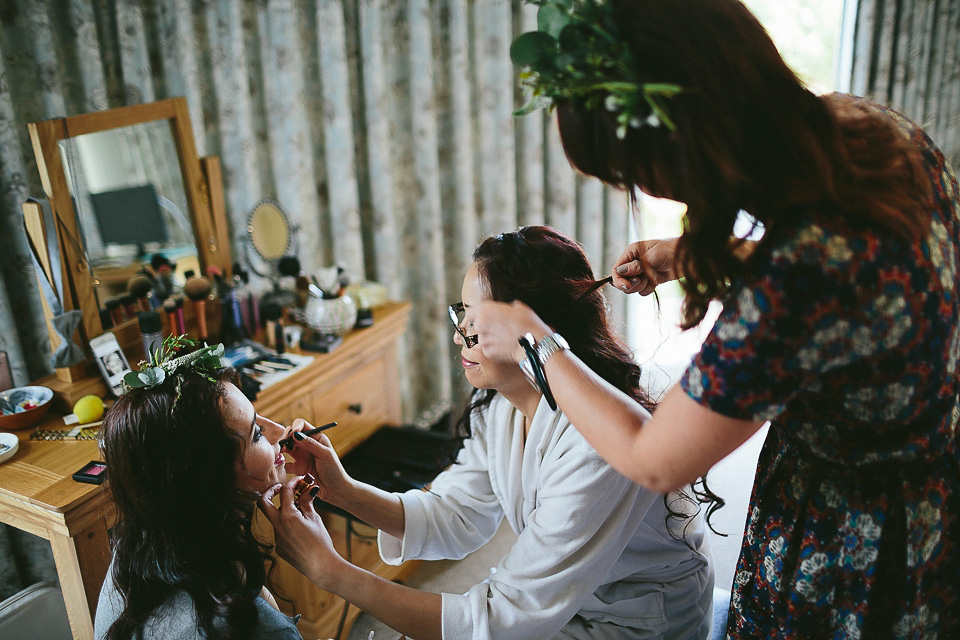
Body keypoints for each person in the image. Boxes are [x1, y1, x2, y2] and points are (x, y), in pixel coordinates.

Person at [470, 0, 960, 638]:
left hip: (856, 531)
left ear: (690, 148)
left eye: (639, 176)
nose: (647, 194)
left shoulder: (790, 290)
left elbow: (653, 457)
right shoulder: (863, 126)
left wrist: (538, 342)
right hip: (928, 461)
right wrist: (702, 254)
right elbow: (862, 273)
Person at [260, 225, 714, 639]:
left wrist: (333, 573)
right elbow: (455, 514)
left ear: (535, 331)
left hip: (639, 621)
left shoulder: (595, 442)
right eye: (461, 315)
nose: (459, 336)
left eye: (477, 323)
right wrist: (342, 490)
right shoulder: (502, 405)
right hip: (572, 600)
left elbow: (503, 620)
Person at [94, 337, 303, 640]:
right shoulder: (257, 629)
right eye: (257, 432)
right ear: (210, 477)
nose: (279, 431)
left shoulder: (130, 561)